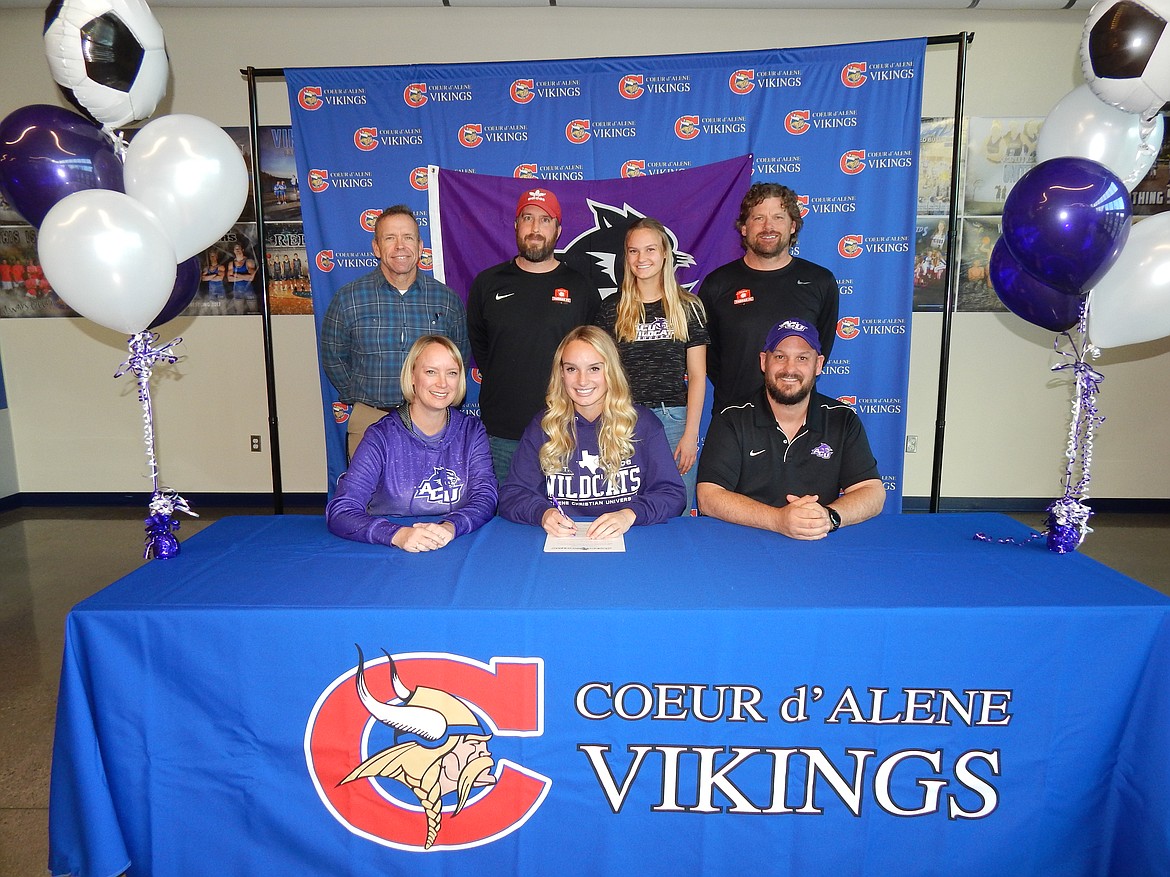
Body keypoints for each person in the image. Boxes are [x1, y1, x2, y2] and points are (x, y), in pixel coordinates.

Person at [696, 319, 884, 540]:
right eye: (780, 357)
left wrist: (828, 516)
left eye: (802, 358)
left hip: (817, 543)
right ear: (764, 361)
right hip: (745, 546)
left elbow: (872, 491)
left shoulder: (842, 419)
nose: (790, 369)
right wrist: (778, 520)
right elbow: (708, 497)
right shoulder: (732, 419)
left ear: (818, 364)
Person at [499, 325, 685, 538]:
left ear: (611, 371)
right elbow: (512, 495)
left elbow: (672, 494)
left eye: (594, 368)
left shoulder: (643, 423)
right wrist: (543, 513)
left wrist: (630, 514)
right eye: (571, 369)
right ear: (561, 373)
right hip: (563, 544)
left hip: (629, 539)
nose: (582, 380)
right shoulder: (543, 426)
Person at [467, 187, 601, 482]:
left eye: (545, 220)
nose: (535, 228)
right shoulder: (488, 284)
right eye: (528, 218)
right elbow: (483, 350)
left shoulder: (581, 288)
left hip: (567, 431)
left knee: (567, 521)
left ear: (558, 229)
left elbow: (596, 357)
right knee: (503, 520)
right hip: (503, 433)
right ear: (516, 226)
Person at [320, 205, 469, 459]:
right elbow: (334, 357)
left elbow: (460, 356)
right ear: (376, 248)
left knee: (432, 496)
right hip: (370, 421)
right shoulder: (349, 299)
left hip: (432, 422)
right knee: (366, 497)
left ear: (420, 246)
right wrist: (363, 392)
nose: (400, 246)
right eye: (390, 238)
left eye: (408, 237)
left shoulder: (445, 300)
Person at [325, 335, 496, 552]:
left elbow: (485, 495)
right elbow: (341, 511)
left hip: (454, 545)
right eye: (431, 371)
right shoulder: (381, 437)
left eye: (451, 373)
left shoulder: (472, 431)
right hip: (390, 550)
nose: (442, 383)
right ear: (412, 376)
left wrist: (451, 526)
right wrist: (397, 534)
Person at [595, 218, 709, 512]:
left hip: (673, 421)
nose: (641, 258)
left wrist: (690, 434)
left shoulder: (689, 307)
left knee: (675, 509)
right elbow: (602, 373)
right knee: (623, 506)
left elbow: (697, 376)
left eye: (650, 250)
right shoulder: (611, 309)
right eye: (634, 251)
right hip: (623, 419)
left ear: (665, 254)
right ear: (626, 256)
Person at [698, 182, 840, 412]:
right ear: (744, 228)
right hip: (733, 417)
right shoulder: (717, 284)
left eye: (778, 217)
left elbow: (819, 349)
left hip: (796, 417)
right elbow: (708, 357)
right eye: (758, 218)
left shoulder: (820, 282)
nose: (768, 227)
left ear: (793, 226)